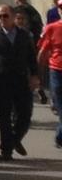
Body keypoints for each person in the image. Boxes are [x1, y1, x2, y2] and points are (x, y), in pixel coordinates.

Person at [0, 3, 39, 159]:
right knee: (4, 116)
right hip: (2, 80)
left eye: (5, 16)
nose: (2, 19)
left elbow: (31, 57)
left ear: (13, 17)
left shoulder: (24, 35)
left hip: (21, 79)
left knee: (25, 114)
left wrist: (35, 76)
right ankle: (6, 150)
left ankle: (14, 139)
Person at [37, 10, 62, 147]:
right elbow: (42, 51)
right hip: (57, 71)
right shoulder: (52, 28)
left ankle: (60, 136)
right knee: (60, 105)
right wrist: (37, 74)